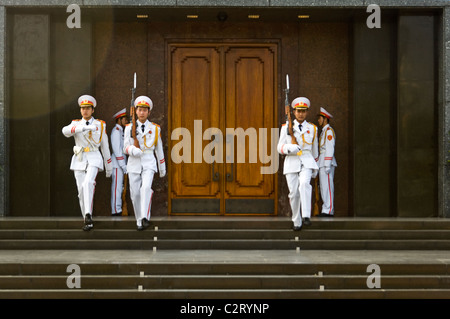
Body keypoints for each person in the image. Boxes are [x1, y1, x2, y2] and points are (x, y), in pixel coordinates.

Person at [62, 95, 113, 231]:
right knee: (81, 191)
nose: (85, 111)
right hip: (79, 158)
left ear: (92, 110)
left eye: (88, 108)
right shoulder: (76, 123)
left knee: (88, 183)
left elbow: (105, 146)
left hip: (94, 156)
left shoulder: (100, 125)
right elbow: (65, 131)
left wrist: (109, 167)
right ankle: (86, 218)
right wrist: (80, 129)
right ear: (80, 110)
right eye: (83, 108)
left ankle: (89, 214)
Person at [123, 95, 166, 230]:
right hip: (134, 162)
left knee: (146, 188)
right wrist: (133, 150)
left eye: (144, 110)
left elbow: (159, 149)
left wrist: (162, 166)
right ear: (135, 111)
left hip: (148, 161)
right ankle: (139, 220)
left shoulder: (155, 128)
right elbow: (125, 147)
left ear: (149, 112)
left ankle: (145, 217)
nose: (142, 112)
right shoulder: (129, 128)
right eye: (140, 110)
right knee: (135, 194)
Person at [277, 97, 319, 231]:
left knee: (305, 184)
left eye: (303, 111)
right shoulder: (286, 128)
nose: (301, 113)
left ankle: (306, 215)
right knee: (294, 193)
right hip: (291, 162)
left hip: (306, 160)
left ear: (307, 112)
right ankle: (297, 220)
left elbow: (315, 149)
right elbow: (279, 147)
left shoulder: (312, 128)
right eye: (298, 111)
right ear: (294, 112)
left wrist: (315, 166)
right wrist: (290, 148)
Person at [317, 107, 337, 217]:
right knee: (324, 187)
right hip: (322, 162)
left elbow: (330, 148)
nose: (318, 120)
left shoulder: (329, 131)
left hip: (327, 163)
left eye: (320, 118)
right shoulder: (324, 131)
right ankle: (326, 209)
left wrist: (327, 163)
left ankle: (329, 210)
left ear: (325, 119)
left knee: (328, 186)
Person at [110, 108, 129, 216]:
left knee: (120, 187)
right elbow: (117, 151)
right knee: (117, 187)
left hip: (121, 164)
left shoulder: (121, 131)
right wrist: (123, 166)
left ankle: (118, 208)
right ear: (119, 119)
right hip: (118, 165)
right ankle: (116, 210)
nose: (126, 120)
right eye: (124, 119)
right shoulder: (116, 132)